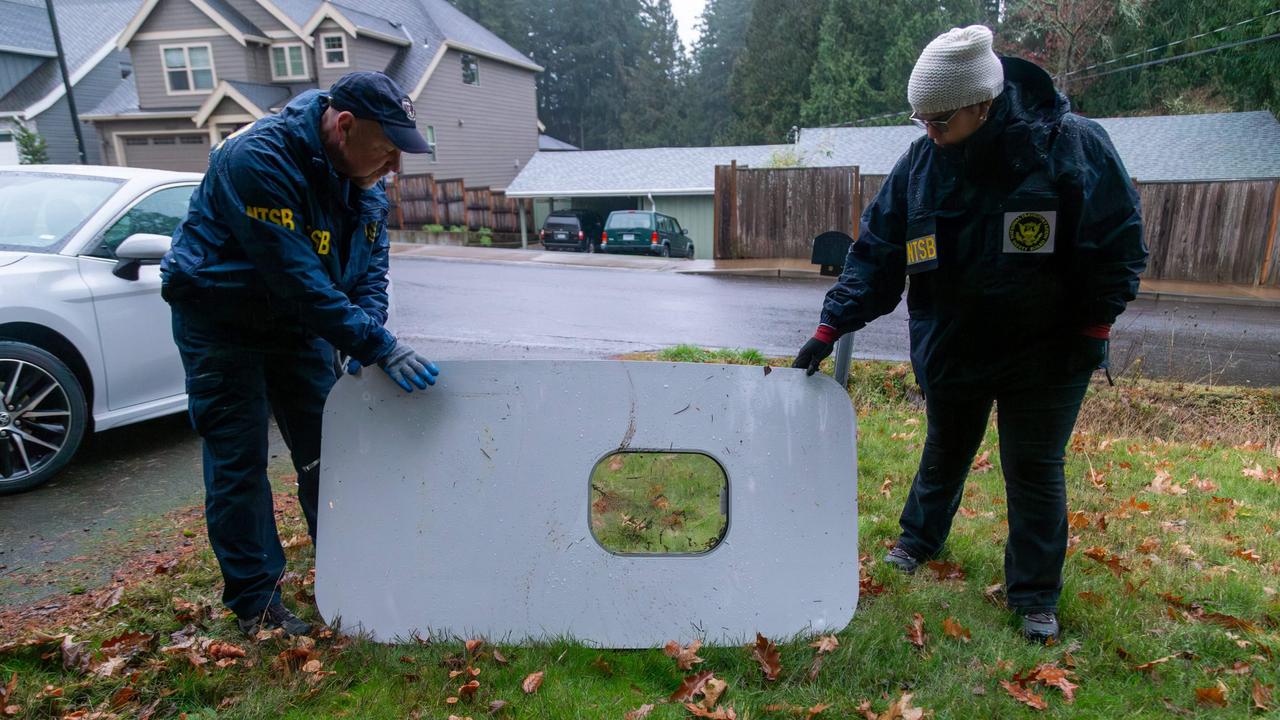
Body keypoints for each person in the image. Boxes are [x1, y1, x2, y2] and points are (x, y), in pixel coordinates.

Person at [793, 26, 1147, 643]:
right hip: (954, 344)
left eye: (941, 119)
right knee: (945, 449)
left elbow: (1119, 244)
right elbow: (877, 252)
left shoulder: (1071, 146)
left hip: (1048, 351)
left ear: (983, 103)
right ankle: (916, 542)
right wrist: (832, 324)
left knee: (1033, 468)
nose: (927, 132)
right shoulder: (921, 165)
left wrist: (1095, 323)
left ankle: (1034, 596)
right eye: (920, 119)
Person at [161, 72, 440, 637]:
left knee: (329, 454)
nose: (394, 169)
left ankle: (349, 572)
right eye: (388, 151)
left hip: (297, 324)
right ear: (343, 126)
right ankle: (257, 604)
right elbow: (297, 277)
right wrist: (376, 344)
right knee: (239, 461)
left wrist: (367, 333)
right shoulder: (257, 159)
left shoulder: (364, 184)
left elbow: (369, 272)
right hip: (221, 318)